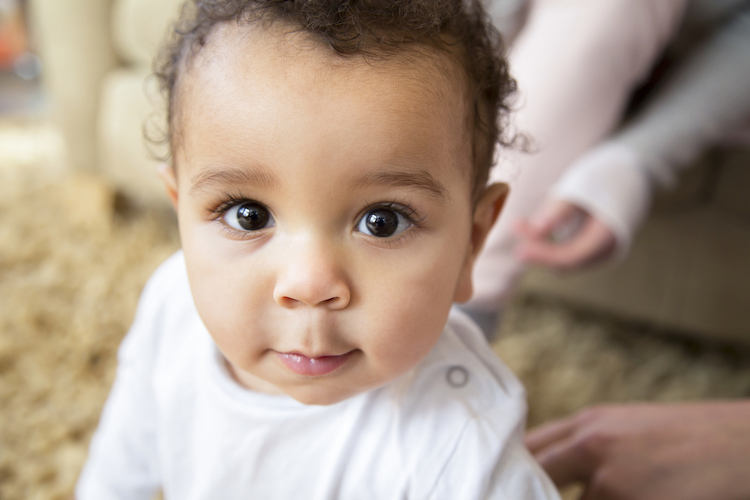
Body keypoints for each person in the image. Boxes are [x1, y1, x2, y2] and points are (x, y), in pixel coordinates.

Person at [74, 1, 560, 499]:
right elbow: (119, 469)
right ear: (181, 215)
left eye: (382, 221)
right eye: (249, 215)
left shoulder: (465, 457)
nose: (310, 284)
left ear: (472, 242)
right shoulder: (172, 304)